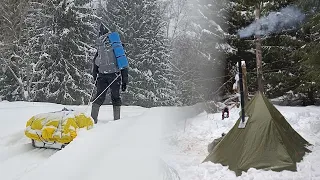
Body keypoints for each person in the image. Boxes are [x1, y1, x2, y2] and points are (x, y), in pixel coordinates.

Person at [90, 24, 129, 123]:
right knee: (115, 97)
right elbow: (123, 63)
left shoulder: (101, 46)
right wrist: (124, 81)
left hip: (102, 75)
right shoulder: (116, 46)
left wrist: (95, 75)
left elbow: (96, 62)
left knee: (99, 96)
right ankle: (117, 121)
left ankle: (92, 119)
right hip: (114, 75)